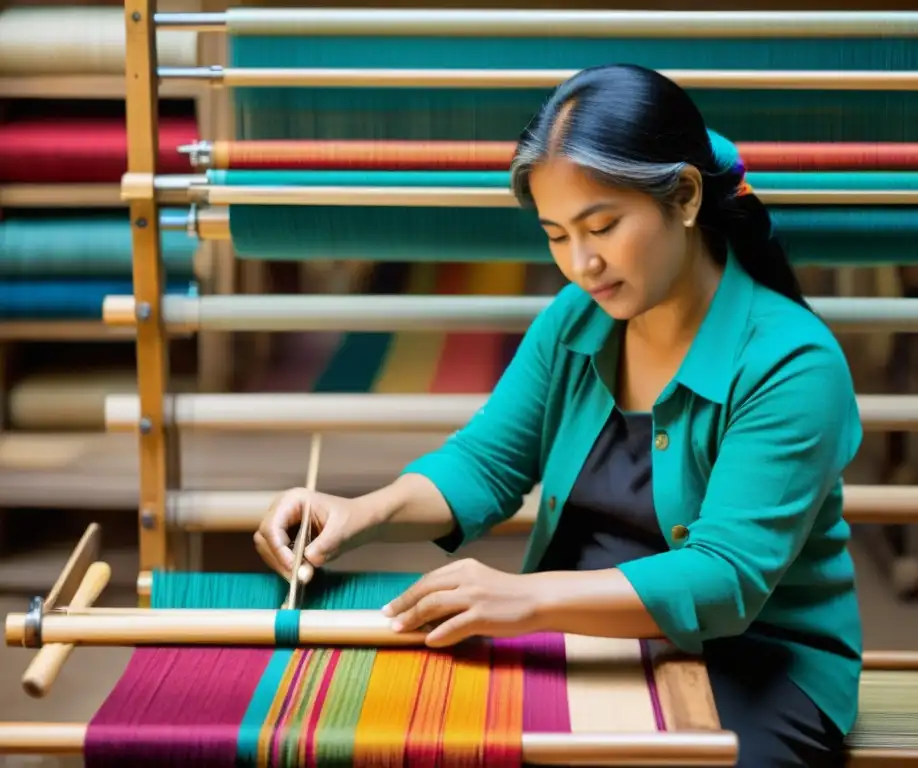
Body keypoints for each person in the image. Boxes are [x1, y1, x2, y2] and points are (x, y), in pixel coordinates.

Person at [255, 63, 863, 767]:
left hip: (754, 666)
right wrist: (363, 512)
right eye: (556, 234)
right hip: (580, 644)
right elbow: (486, 462)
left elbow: (724, 581)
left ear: (686, 197)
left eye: (601, 226)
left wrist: (525, 598)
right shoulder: (578, 318)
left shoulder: (792, 363)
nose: (582, 264)